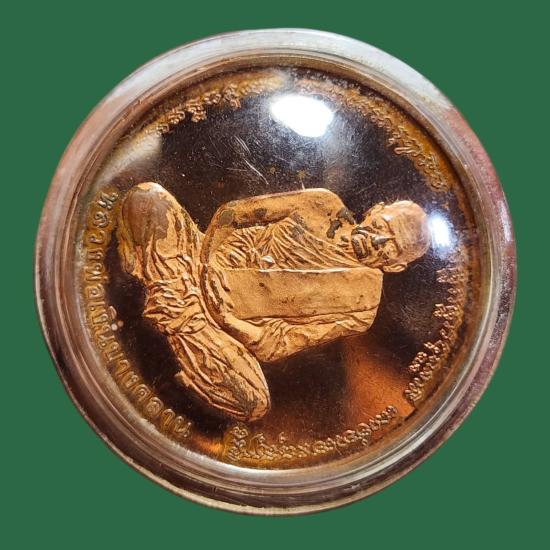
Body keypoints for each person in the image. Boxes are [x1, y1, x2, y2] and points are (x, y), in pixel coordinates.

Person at [117, 182, 430, 421]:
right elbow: (231, 214)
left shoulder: (363, 308)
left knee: (252, 402)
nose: (377, 241)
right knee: (148, 197)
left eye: (392, 247)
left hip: (216, 331)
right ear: (375, 210)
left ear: (396, 266)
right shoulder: (322, 204)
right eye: (383, 226)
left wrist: (226, 319)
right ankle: (177, 306)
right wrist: (207, 265)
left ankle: (173, 303)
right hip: (196, 260)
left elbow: (277, 344)